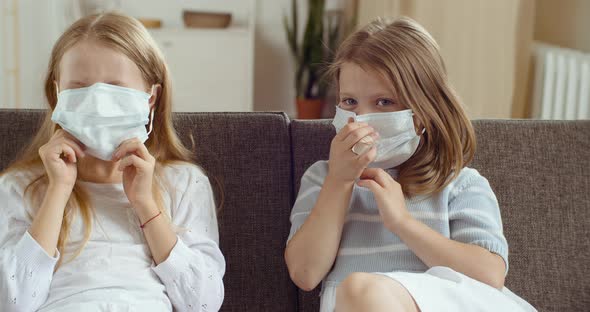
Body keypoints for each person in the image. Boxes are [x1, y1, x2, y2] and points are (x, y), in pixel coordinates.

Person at [285, 17, 536, 312]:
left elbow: (490, 276)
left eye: (383, 103)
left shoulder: (458, 183)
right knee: (357, 291)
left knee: (361, 290)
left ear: (424, 112)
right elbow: (305, 273)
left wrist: (402, 223)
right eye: (350, 102)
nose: (361, 118)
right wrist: (338, 182)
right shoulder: (322, 178)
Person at [0, 12, 224, 312]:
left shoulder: (183, 182)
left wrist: (145, 203)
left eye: (114, 88)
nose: (97, 104)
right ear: (57, 94)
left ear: (151, 97)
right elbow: (14, 303)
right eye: (79, 87)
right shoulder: (19, 187)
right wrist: (57, 191)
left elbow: (203, 303)